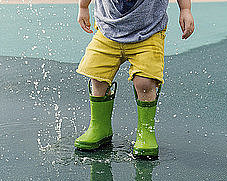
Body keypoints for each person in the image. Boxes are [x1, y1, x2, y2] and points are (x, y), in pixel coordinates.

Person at [74, 0, 195, 159]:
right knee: (98, 77)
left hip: (148, 32)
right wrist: (83, 7)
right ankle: (99, 127)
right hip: (108, 29)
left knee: (145, 81)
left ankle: (146, 131)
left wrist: (185, 9)